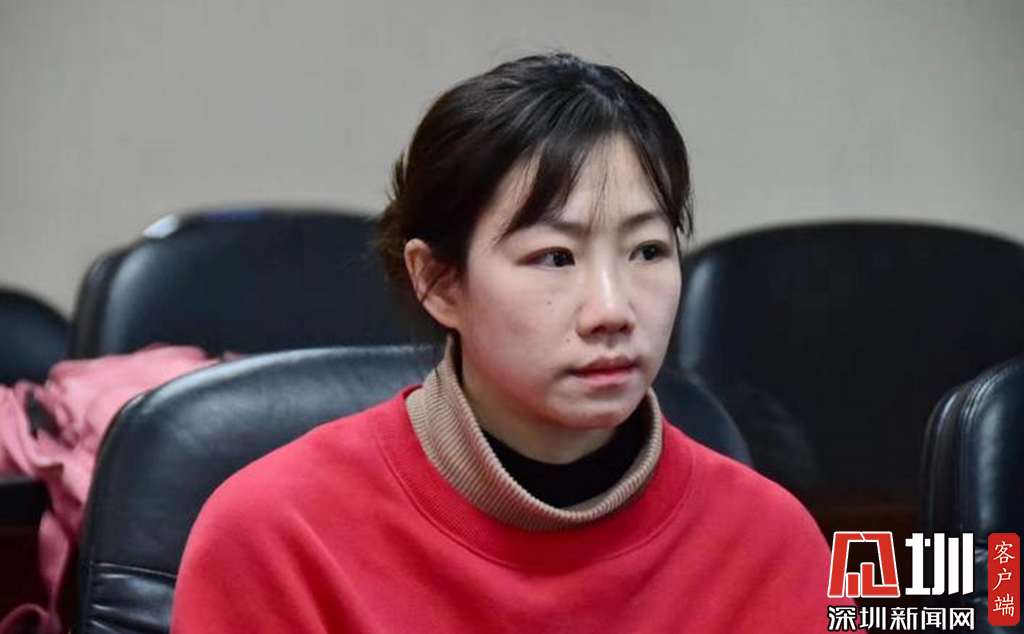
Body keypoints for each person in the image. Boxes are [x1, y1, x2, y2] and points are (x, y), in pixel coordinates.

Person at [171, 52, 857, 633]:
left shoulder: (767, 541)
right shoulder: (277, 535)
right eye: (555, 257)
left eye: (647, 250)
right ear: (438, 281)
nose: (612, 310)